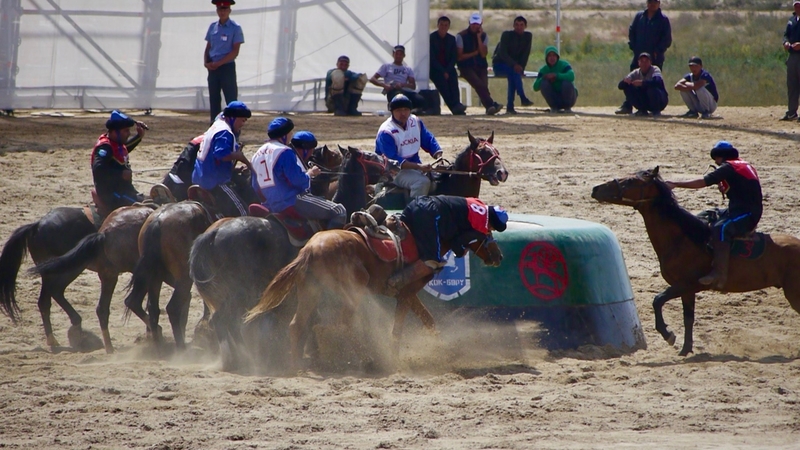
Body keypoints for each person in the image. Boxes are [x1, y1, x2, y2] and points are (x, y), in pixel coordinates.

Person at [666, 141, 762, 289]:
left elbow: (703, 182)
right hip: (738, 209)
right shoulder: (742, 165)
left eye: (716, 159)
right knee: (707, 215)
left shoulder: (729, 167)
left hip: (746, 213)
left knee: (721, 228)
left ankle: (719, 273)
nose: (716, 162)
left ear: (721, 156)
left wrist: (676, 184)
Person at [385, 195, 508, 295]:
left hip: (418, 203)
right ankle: (396, 281)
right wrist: (461, 251)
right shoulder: (479, 228)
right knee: (432, 260)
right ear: (492, 224)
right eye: (492, 228)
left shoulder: (477, 202)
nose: (490, 231)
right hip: (431, 215)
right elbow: (456, 242)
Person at [251, 121, 347, 229]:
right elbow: (297, 181)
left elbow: (255, 185)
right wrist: (310, 174)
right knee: (339, 210)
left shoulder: (256, 154)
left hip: (268, 203)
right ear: (285, 134)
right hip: (292, 201)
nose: (290, 136)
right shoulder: (285, 151)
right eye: (290, 133)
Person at [91, 110, 163, 211]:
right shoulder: (104, 147)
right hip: (112, 194)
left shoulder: (115, 144)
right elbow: (98, 168)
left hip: (124, 191)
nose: (129, 134)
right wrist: (121, 174)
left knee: (153, 201)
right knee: (148, 207)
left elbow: (124, 150)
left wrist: (139, 137)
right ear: (114, 132)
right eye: (126, 131)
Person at [375, 94, 443, 199]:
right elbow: (393, 161)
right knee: (421, 182)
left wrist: (439, 158)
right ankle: (414, 211)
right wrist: (419, 167)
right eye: (398, 110)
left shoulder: (416, 122)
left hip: (414, 167)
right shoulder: (386, 131)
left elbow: (429, 140)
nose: (403, 113)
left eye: (406, 109)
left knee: (437, 180)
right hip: (392, 172)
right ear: (392, 111)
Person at [192, 100, 253, 217]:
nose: (243, 124)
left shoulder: (216, 125)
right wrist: (241, 157)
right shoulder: (224, 132)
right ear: (234, 118)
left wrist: (234, 169)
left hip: (199, 178)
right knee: (244, 214)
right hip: (215, 183)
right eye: (243, 120)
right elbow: (221, 154)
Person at [616, 0, 672, 115]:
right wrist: (634, 46)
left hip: (655, 58)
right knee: (631, 82)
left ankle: (654, 107)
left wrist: (658, 51)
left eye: (655, 2)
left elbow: (667, 39)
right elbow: (632, 31)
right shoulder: (639, 16)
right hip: (639, 55)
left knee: (652, 83)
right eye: (650, 1)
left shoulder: (663, 20)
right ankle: (630, 105)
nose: (652, 4)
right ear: (647, 3)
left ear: (659, 3)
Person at [204, 0, 244, 125]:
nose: (222, 12)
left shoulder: (235, 28)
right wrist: (206, 62)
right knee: (214, 99)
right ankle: (214, 127)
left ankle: (234, 129)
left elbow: (235, 51)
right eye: (220, 9)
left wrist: (220, 63)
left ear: (229, 10)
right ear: (217, 10)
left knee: (231, 99)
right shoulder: (213, 27)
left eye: (225, 9)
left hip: (226, 67)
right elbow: (208, 46)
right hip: (213, 67)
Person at [457, 13, 502, 115]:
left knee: (483, 86)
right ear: (469, 23)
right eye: (473, 24)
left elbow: (483, 54)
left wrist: (479, 38)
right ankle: (491, 104)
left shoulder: (484, 36)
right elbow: (460, 56)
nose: (475, 26)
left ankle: (489, 107)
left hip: (481, 66)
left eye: (477, 24)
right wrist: (474, 53)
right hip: (466, 67)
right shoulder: (461, 36)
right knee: (480, 85)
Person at [491, 16, 534, 114]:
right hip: (499, 65)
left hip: (514, 68)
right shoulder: (506, 35)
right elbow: (502, 54)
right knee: (514, 72)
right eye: (517, 25)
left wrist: (521, 67)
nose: (519, 27)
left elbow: (525, 54)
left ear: (525, 26)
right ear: (513, 26)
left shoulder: (528, 36)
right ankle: (522, 97)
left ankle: (510, 106)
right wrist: (515, 65)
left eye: (521, 25)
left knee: (513, 75)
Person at [369, 45, 428, 113]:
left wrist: (402, 85)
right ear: (393, 54)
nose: (398, 56)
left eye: (400, 54)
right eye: (396, 54)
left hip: (405, 90)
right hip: (393, 91)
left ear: (404, 56)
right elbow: (373, 79)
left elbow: (413, 86)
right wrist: (385, 85)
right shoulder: (386, 66)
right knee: (399, 96)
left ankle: (410, 109)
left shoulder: (408, 69)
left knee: (420, 100)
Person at [429, 16, 468, 115]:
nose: (443, 27)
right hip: (435, 69)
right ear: (437, 25)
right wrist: (442, 71)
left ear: (448, 26)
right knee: (443, 85)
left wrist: (448, 70)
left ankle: (457, 104)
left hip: (448, 68)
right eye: (441, 24)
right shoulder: (431, 38)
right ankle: (454, 107)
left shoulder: (451, 39)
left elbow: (453, 57)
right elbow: (432, 58)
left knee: (454, 83)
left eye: (446, 25)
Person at [617, 52, 668, 117]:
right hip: (645, 100)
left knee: (651, 88)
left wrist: (642, 83)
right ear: (638, 63)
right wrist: (625, 81)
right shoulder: (636, 72)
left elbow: (658, 82)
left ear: (650, 62)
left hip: (660, 100)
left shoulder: (655, 69)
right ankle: (642, 110)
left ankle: (656, 111)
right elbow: (620, 86)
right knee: (629, 88)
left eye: (646, 61)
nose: (644, 63)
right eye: (642, 61)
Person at [533, 46, 578, 113]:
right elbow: (535, 87)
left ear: (557, 57)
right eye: (549, 56)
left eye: (554, 55)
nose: (552, 58)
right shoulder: (544, 70)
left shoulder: (564, 65)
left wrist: (557, 76)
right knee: (544, 83)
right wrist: (544, 78)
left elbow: (571, 76)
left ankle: (567, 108)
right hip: (555, 99)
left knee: (566, 83)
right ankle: (554, 107)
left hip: (570, 99)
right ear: (546, 58)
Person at [782, 0, 800, 121]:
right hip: (792, 56)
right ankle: (792, 112)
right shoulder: (792, 20)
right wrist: (786, 42)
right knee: (792, 84)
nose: (797, 8)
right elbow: (785, 34)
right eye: (796, 6)